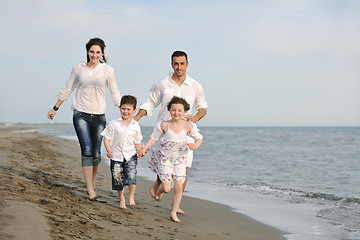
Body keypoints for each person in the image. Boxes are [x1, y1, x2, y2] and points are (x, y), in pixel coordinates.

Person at [133, 50, 208, 213]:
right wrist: (135, 118)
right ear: (171, 64)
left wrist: (194, 118)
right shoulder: (162, 84)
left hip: (185, 136)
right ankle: (158, 184)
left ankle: (176, 204)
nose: (179, 67)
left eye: (182, 63)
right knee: (166, 166)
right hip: (166, 134)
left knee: (183, 170)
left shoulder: (195, 86)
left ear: (187, 64)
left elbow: (203, 107)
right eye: (176, 63)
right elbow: (150, 103)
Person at [47, 38, 121, 200]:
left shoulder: (108, 70)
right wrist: (55, 108)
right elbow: (67, 88)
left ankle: (91, 184)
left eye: (98, 52)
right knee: (87, 150)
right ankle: (90, 189)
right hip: (80, 114)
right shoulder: (78, 68)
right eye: (92, 51)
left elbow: (115, 93)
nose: (94, 55)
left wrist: (124, 111)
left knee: (96, 154)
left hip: (99, 116)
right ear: (87, 52)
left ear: (102, 53)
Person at [137, 96, 203, 223]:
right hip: (166, 159)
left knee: (178, 186)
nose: (176, 113)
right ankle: (159, 190)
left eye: (179, 110)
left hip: (180, 159)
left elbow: (199, 138)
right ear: (169, 110)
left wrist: (194, 145)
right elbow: (153, 139)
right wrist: (144, 149)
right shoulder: (164, 125)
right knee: (167, 188)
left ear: (184, 112)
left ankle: (173, 212)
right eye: (174, 110)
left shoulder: (188, 126)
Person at [101, 95, 143, 210]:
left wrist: (141, 151)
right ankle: (122, 200)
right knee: (118, 180)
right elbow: (106, 138)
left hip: (131, 155)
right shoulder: (114, 123)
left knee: (131, 176)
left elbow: (138, 143)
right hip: (116, 156)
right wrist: (108, 150)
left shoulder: (136, 126)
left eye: (129, 109)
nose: (126, 112)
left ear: (134, 110)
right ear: (120, 108)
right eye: (123, 108)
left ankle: (131, 197)